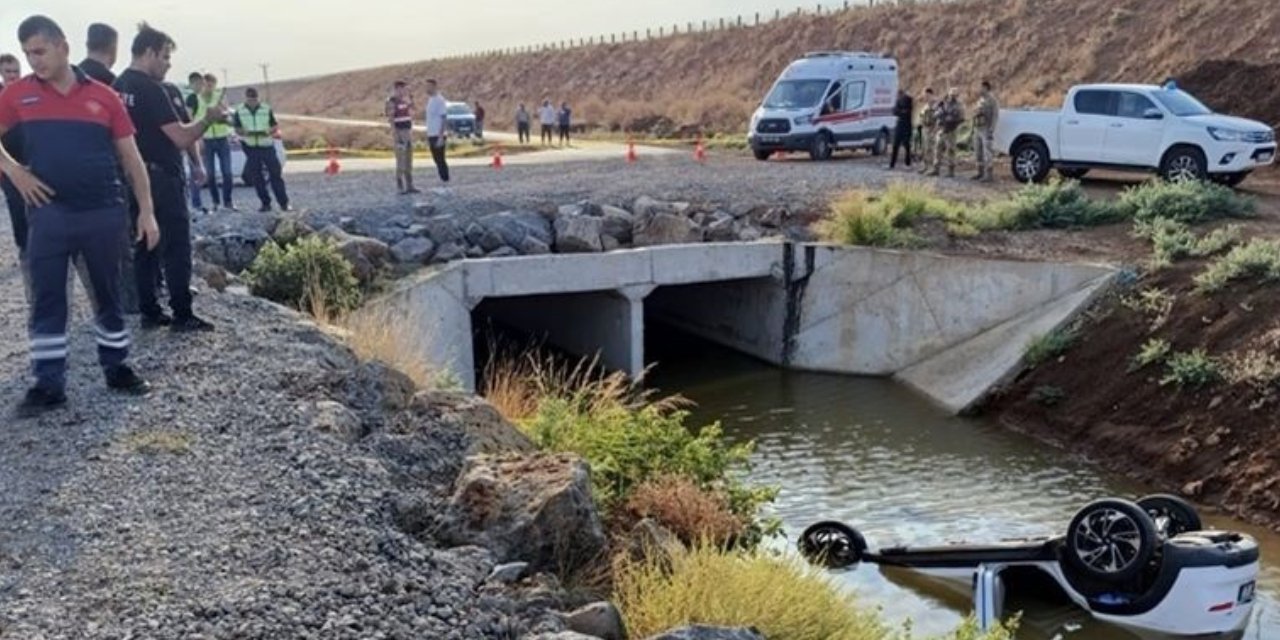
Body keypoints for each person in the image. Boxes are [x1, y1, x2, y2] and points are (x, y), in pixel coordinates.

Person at [0, 15, 161, 416]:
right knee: (48, 299)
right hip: (49, 215)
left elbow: (131, 157)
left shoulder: (105, 97)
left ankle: (118, 368)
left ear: (63, 47)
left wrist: (147, 212)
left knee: (108, 294)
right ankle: (48, 384)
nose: (34, 60)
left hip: (103, 212)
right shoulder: (17, 95)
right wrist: (15, 171)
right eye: (27, 54)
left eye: (39, 51)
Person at [114, 21, 221, 332]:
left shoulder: (119, 87)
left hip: (133, 177)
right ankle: (182, 313)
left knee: (145, 244)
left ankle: (149, 310)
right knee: (175, 245)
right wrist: (210, 118)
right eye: (164, 56)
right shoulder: (150, 89)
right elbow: (180, 136)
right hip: (161, 178)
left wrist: (197, 163)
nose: (168, 63)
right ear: (148, 52)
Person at [234, 87, 289, 212]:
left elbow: (274, 125)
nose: (252, 102)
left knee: (276, 175)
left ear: (257, 98)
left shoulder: (266, 108)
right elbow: (237, 128)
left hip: (266, 145)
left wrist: (268, 131)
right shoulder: (240, 110)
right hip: (250, 147)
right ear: (246, 99)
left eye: (254, 99)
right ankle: (265, 203)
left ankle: (284, 203)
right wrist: (245, 133)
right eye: (250, 100)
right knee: (257, 177)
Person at [190, 72, 234, 211]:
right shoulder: (197, 99)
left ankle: (228, 201)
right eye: (206, 84)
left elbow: (227, 114)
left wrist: (222, 114)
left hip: (222, 138)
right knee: (210, 175)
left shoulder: (220, 97)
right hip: (206, 140)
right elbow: (194, 119)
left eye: (212, 84)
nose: (209, 87)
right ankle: (216, 202)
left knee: (227, 172)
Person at [0, 53, 25, 256]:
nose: (13, 75)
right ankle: (24, 246)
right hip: (6, 164)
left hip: (30, 160)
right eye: (8, 72)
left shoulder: (26, 95)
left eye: (16, 71)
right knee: (15, 204)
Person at [385, 80, 417, 194]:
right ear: (396, 89)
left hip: (408, 131)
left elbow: (413, 112)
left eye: (404, 89)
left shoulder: (406, 101)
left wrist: (412, 102)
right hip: (399, 132)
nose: (403, 91)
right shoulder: (392, 101)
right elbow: (391, 119)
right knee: (401, 161)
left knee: (409, 160)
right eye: (401, 89)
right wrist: (396, 136)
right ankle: (400, 186)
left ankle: (410, 185)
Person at [927, 87, 965, 178]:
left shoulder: (958, 105)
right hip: (942, 128)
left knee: (951, 150)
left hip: (951, 130)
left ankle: (951, 171)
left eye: (954, 95)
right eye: (951, 95)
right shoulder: (943, 103)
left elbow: (961, 118)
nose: (952, 97)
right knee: (938, 148)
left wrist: (951, 119)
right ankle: (936, 169)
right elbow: (935, 113)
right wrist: (939, 110)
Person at [183, 71, 207, 212]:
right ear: (193, 83)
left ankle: (196, 203)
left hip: (192, 136)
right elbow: (189, 118)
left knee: (195, 171)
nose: (201, 86)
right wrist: (197, 137)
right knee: (195, 171)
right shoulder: (191, 97)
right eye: (199, 83)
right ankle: (196, 204)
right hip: (192, 137)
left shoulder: (195, 97)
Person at [423, 79, 450, 184]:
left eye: (428, 86)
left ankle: (445, 180)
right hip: (431, 133)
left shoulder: (440, 100)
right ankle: (443, 178)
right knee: (436, 159)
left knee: (440, 159)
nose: (426, 89)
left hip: (438, 134)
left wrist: (440, 136)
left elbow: (443, 118)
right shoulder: (430, 99)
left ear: (434, 87)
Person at [972, 80, 999, 182]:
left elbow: (995, 115)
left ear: (986, 88)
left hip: (986, 128)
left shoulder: (992, 100)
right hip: (978, 128)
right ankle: (980, 172)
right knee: (978, 151)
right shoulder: (980, 100)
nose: (980, 89)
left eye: (982, 87)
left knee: (987, 152)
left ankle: (989, 175)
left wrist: (992, 129)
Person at [888, 89, 914, 170]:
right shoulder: (899, 101)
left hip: (906, 125)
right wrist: (900, 111)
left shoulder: (908, 100)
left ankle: (907, 163)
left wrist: (900, 111)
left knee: (906, 145)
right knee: (896, 145)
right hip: (900, 125)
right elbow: (894, 111)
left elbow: (906, 111)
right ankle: (892, 164)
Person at [916, 88, 938, 175]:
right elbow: (922, 116)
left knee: (931, 149)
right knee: (925, 148)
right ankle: (926, 166)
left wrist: (935, 129)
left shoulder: (935, 105)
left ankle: (932, 168)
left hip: (932, 129)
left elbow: (938, 117)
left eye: (926, 95)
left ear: (930, 94)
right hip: (925, 129)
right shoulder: (926, 105)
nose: (925, 97)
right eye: (924, 95)